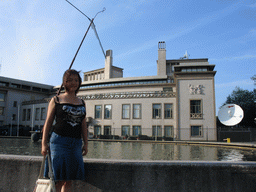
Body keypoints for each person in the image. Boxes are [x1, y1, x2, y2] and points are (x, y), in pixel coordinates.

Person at [41, 69, 88, 192]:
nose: (74, 83)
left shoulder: (81, 102)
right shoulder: (56, 100)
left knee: (69, 179)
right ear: (64, 82)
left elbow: (83, 124)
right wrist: (44, 143)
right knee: (59, 178)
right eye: (70, 80)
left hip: (76, 143)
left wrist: (86, 143)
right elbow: (48, 123)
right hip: (59, 142)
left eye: (76, 80)